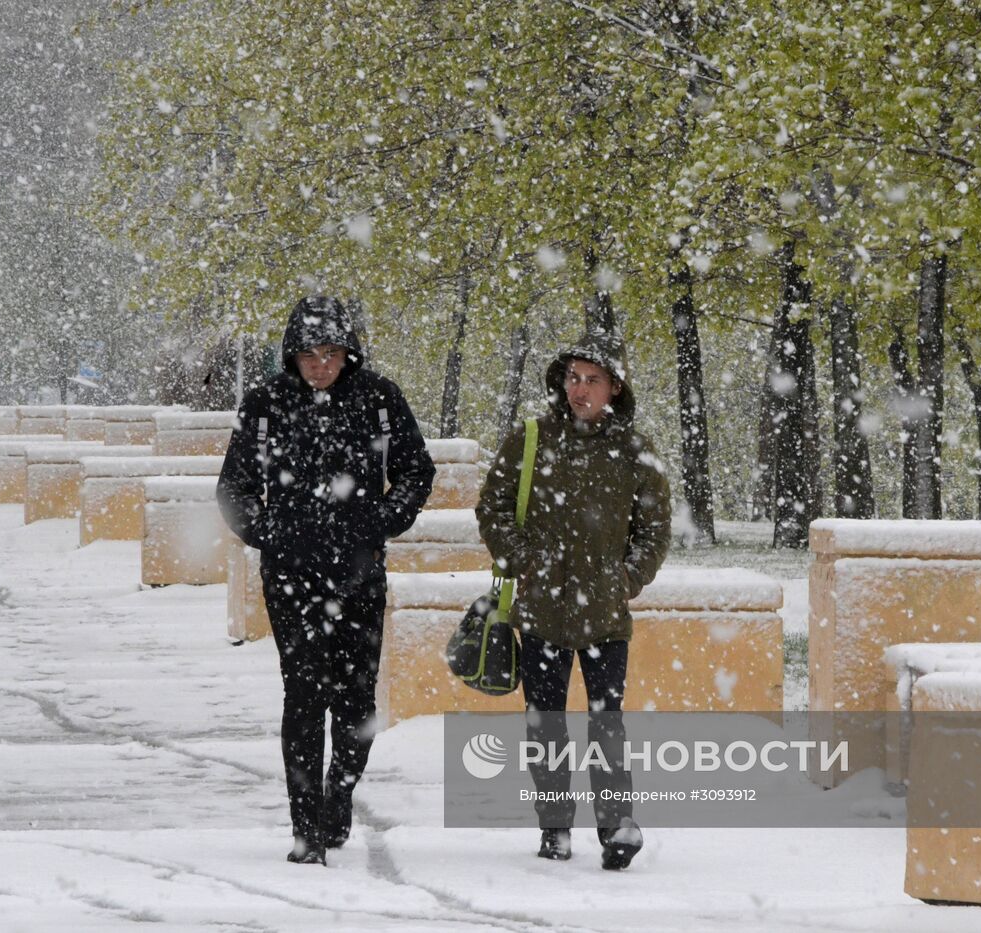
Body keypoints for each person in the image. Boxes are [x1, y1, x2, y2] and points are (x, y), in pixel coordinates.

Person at [217, 296, 436, 865]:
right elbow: (233, 488)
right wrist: (269, 534)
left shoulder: (378, 399)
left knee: (358, 701)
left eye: (331, 353)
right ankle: (306, 825)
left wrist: (382, 521)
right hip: (291, 577)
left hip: (360, 574)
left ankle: (339, 795)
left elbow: (417, 469)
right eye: (309, 354)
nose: (320, 365)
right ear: (292, 354)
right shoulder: (265, 404)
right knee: (305, 697)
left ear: (348, 353)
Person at [476, 328, 671, 870]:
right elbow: (491, 507)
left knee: (608, 722)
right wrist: (524, 562)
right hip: (542, 610)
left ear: (614, 388)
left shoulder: (635, 450)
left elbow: (655, 532)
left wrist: (626, 579)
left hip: (606, 614)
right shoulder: (530, 438)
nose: (580, 390)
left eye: (593, 380)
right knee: (547, 723)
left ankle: (616, 826)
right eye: (573, 378)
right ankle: (555, 827)